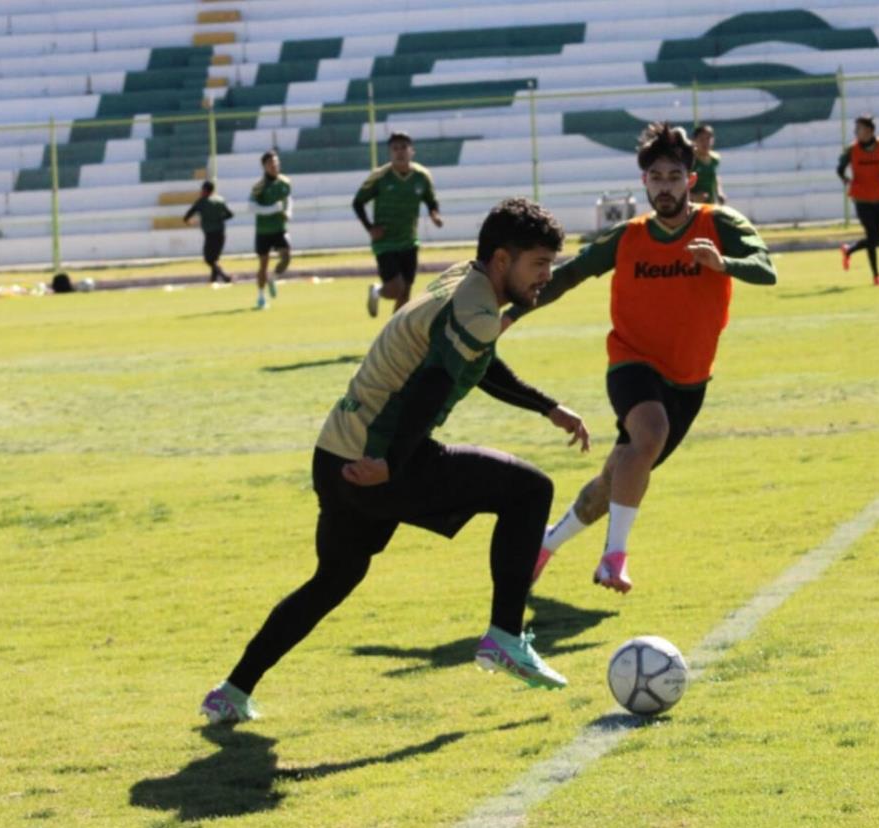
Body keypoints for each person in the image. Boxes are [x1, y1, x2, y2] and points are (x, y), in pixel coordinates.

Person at [201, 198, 590, 724]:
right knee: (529, 490)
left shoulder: (464, 282)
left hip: (333, 453)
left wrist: (546, 407)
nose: (548, 275)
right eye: (539, 263)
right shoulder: (475, 311)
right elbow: (428, 389)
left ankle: (231, 690)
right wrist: (391, 465)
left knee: (332, 581)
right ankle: (504, 634)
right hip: (375, 459)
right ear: (503, 260)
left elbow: (478, 360)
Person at [503, 122, 776, 594]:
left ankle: (546, 543)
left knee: (615, 481)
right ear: (644, 183)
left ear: (691, 181)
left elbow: (766, 269)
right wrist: (510, 314)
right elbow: (568, 276)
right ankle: (614, 559)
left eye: (674, 177)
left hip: (689, 380)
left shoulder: (720, 224)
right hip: (631, 362)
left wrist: (723, 264)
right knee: (649, 433)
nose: (665, 186)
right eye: (656, 177)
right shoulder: (627, 237)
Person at [354, 131, 444, 319]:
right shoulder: (380, 177)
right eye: (395, 148)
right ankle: (377, 292)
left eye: (403, 147)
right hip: (385, 242)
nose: (400, 152)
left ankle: (394, 334)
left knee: (406, 292)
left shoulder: (422, 176)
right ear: (390, 152)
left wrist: (434, 214)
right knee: (396, 288)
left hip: (409, 240)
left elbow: (431, 200)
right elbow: (358, 202)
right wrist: (370, 228)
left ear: (412, 151)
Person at [836, 115, 879, 286]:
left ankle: (849, 250)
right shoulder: (852, 150)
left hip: (878, 196)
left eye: (859, 129)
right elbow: (840, 168)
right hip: (860, 196)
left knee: (876, 238)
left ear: (870, 130)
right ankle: (876, 276)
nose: (856, 132)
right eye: (855, 129)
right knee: (872, 236)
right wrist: (846, 180)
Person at [250, 150, 292, 310]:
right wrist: (272, 209)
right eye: (271, 163)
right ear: (264, 166)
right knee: (263, 265)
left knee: (286, 256)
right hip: (263, 231)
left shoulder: (285, 182)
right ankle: (261, 297)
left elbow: (288, 198)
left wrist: (288, 212)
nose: (275, 166)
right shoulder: (259, 187)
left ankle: (273, 278)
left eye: (276, 162)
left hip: (279, 228)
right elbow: (251, 207)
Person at [183, 181, 234, 284]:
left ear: (205, 190)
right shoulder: (220, 200)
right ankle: (213, 281)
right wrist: (218, 218)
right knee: (214, 259)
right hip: (221, 233)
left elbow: (187, 216)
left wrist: (190, 222)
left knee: (208, 259)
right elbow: (230, 214)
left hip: (209, 234)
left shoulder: (201, 202)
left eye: (202, 190)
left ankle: (225, 276)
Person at [691, 124, 725, 206]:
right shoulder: (690, 160)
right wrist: (693, 197)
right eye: (701, 139)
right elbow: (681, 185)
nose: (705, 142)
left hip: (710, 204)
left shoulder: (715, 159)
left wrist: (720, 192)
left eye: (708, 138)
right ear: (694, 141)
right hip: (692, 206)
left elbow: (714, 176)